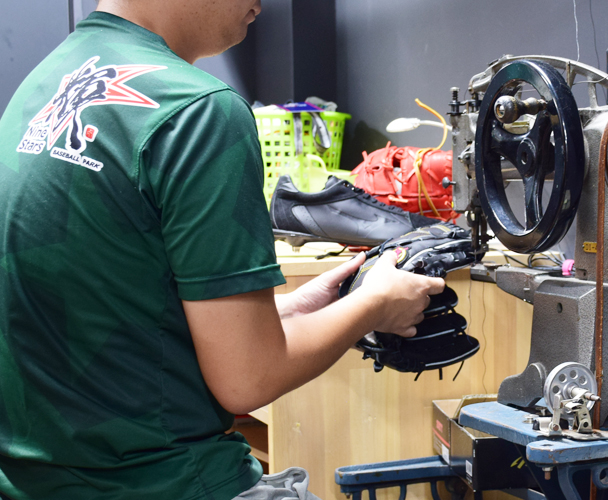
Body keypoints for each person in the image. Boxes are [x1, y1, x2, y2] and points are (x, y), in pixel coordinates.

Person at [0, 1, 445, 499]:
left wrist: (280, 314)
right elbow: (248, 380)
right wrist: (375, 305)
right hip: (161, 483)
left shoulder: (48, 81)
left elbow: (103, 303)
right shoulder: (197, 109)